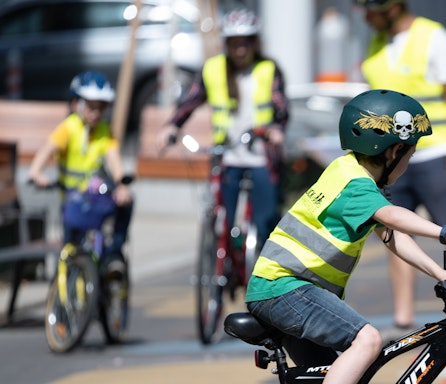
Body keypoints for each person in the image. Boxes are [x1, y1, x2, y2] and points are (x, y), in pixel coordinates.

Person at [245, 89, 446, 384]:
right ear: (391, 151)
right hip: (284, 288)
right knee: (367, 341)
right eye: (410, 151)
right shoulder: (355, 183)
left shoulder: (349, 174)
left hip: (285, 290)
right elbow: (393, 218)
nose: (411, 160)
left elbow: (391, 236)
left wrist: (441, 271)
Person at [355, 0, 446, 330]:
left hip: (434, 149)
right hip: (390, 156)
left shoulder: (434, 36)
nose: (365, 16)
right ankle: (404, 315)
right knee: (393, 232)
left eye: (370, 9)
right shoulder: (377, 41)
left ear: (391, 7)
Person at [156, 9, 288, 242]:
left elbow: (281, 108)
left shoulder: (268, 68)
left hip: (261, 156)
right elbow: (190, 102)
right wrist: (172, 126)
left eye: (245, 43)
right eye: (234, 43)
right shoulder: (213, 69)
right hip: (226, 156)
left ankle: (263, 268)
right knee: (221, 218)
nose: (240, 49)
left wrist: (276, 129)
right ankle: (223, 265)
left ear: (254, 43)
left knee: (265, 220)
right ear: (226, 44)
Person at [28, 71, 133, 269]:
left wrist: (121, 185)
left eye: (101, 108)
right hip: (72, 198)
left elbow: (114, 158)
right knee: (69, 250)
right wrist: (36, 172)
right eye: (91, 107)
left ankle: (114, 255)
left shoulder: (104, 130)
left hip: (96, 196)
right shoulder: (68, 128)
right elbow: (47, 150)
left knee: (126, 204)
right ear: (76, 104)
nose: (96, 114)